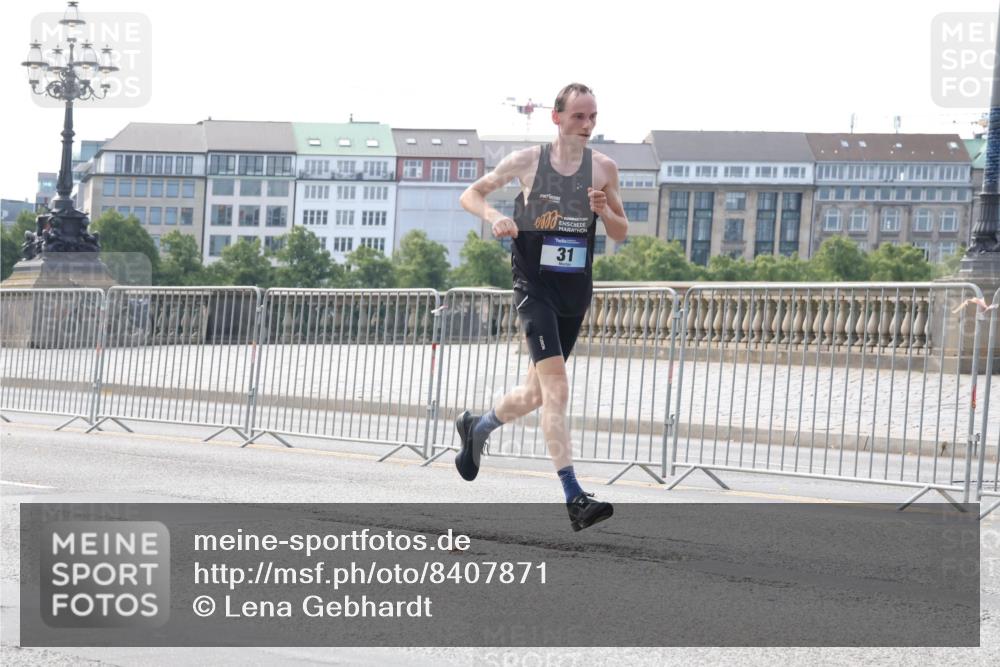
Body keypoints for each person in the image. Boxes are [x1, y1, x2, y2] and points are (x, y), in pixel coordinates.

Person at [455, 83, 629, 531]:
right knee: (557, 391)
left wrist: (603, 211)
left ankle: (478, 428)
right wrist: (497, 218)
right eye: (578, 117)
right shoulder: (527, 162)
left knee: (534, 395)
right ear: (557, 118)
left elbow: (620, 231)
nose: (587, 126)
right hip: (535, 289)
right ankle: (574, 496)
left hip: (575, 292)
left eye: (593, 117)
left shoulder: (604, 169)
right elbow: (471, 195)